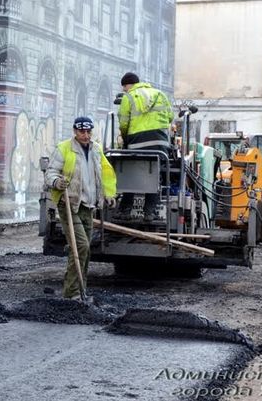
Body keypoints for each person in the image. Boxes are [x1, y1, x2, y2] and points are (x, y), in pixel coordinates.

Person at [45, 116, 117, 303]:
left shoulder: (96, 149)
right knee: (81, 246)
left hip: (88, 206)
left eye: (88, 131)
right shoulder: (64, 148)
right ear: (75, 131)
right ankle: (71, 293)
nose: (85, 135)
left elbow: (106, 174)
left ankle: (80, 290)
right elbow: (50, 173)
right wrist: (57, 182)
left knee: (84, 250)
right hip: (69, 203)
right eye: (81, 131)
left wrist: (109, 195)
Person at [116, 72, 174, 220]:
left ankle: (125, 210)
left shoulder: (129, 97)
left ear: (128, 85)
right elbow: (170, 117)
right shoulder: (160, 94)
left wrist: (125, 138)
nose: (124, 91)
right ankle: (149, 212)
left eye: (124, 88)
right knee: (154, 175)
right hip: (160, 143)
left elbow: (123, 122)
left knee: (132, 174)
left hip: (138, 142)